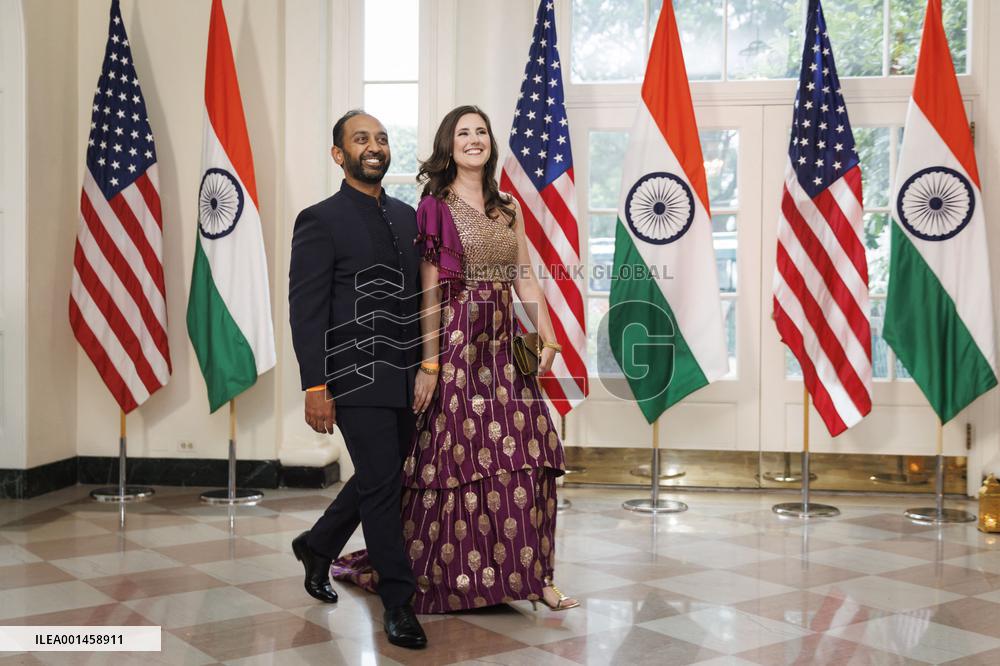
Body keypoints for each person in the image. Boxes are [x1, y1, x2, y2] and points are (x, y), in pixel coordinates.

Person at [332, 105, 579, 613]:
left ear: (491, 144)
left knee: (526, 453)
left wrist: (548, 338)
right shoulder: (434, 206)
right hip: (458, 340)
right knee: (456, 456)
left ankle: (535, 577)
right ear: (450, 145)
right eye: (463, 133)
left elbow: (525, 276)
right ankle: (456, 576)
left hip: (505, 343)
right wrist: (430, 364)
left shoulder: (508, 206)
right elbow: (430, 292)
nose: (474, 140)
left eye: (481, 132)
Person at [287, 109, 427, 649]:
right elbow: (307, 310)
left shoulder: (410, 217)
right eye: (361, 139)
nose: (374, 146)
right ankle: (398, 601)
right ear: (338, 154)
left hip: (407, 373)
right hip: (353, 375)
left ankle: (318, 545)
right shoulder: (319, 220)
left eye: (382, 139)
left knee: (381, 477)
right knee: (384, 486)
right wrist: (315, 386)